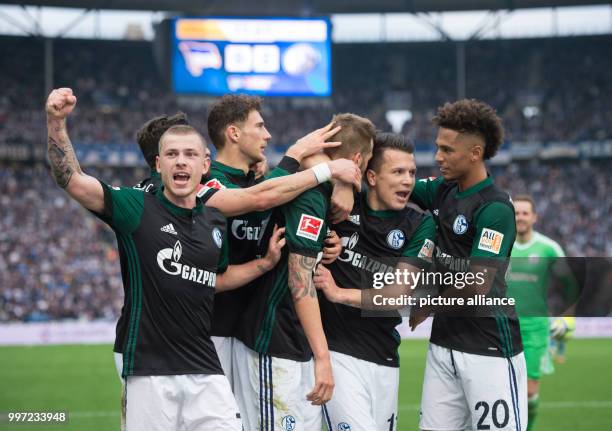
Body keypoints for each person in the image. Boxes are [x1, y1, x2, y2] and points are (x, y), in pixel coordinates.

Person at [45, 88, 361, 430]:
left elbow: (216, 272)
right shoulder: (151, 202)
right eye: (174, 153)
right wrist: (56, 122)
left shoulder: (208, 210)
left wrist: (272, 260)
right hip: (158, 358)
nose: (183, 161)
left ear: (204, 163)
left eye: (191, 153)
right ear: (158, 163)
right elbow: (72, 181)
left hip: (211, 355)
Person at [232, 113, 375, 431]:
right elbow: (300, 280)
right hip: (275, 340)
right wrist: (323, 357)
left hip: (293, 343)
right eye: (364, 166)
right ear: (355, 160)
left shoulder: (319, 189)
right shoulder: (311, 196)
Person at [204, 94, 344, 387]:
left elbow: (281, 208)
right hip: (212, 331)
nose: (267, 135)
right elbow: (262, 198)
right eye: (260, 126)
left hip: (250, 336)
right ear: (234, 133)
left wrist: (327, 238)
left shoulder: (258, 179)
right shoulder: (209, 180)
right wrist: (299, 156)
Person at [409, 99, 527, 431]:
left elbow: (478, 282)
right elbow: (393, 187)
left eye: (447, 150)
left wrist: (427, 304)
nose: (437, 157)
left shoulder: (495, 208)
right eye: (437, 147)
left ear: (474, 154)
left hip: (488, 344)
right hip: (443, 343)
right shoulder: (442, 191)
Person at [312, 132, 437, 431]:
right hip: (338, 353)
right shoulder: (340, 204)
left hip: (385, 357)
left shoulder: (420, 224)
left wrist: (338, 292)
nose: (408, 181)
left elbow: (396, 295)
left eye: (412, 173)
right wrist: (341, 182)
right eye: (397, 172)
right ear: (371, 176)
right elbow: (306, 159)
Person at [506, 195, 577, 431]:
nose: (521, 217)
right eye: (516, 213)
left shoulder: (548, 248)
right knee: (503, 388)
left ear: (534, 217)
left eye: (525, 213)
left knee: (528, 390)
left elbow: (570, 285)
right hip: (502, 326)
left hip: (535, 328)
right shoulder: (501, 245)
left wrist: (567, 318)